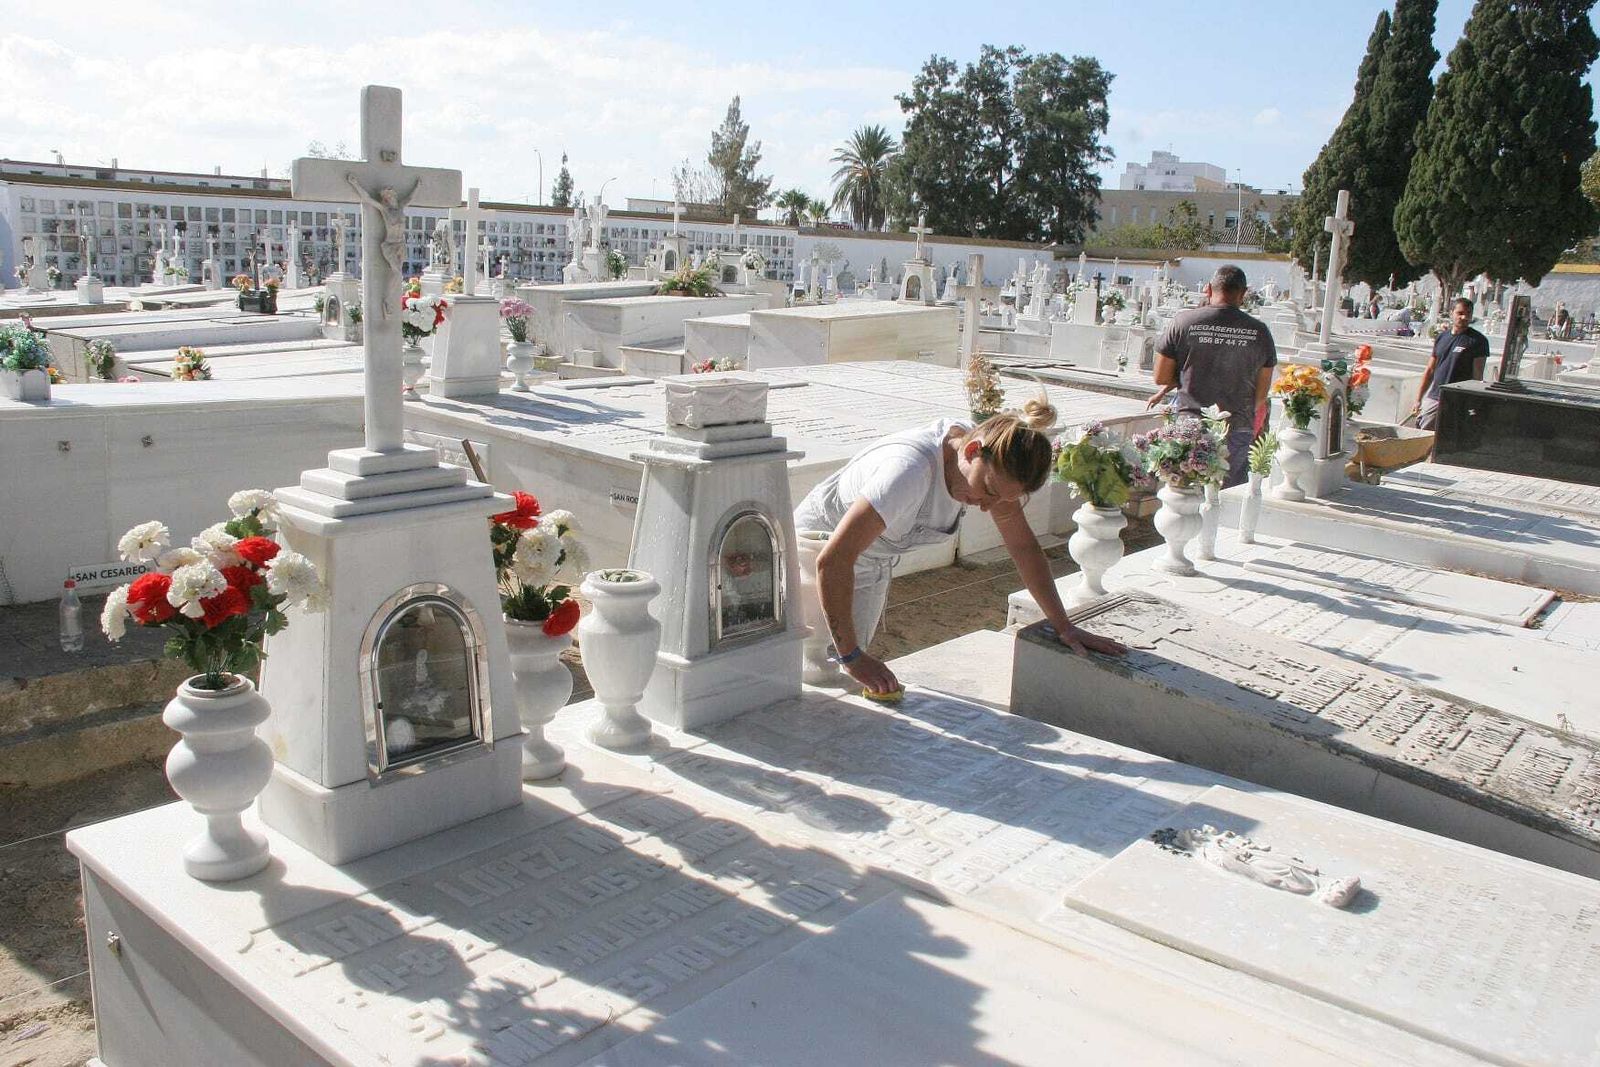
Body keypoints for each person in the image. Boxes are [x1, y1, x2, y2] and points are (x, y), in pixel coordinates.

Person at [795, 403, 1126, 696]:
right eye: (987, 491)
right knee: (811, 675)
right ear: (971, 452)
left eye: (1001, 500)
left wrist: (1063, 626)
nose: (988, 507)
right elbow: (833, 561)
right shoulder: (908, 473)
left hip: (868, 561)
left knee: (847, 684)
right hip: (814, 553)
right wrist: (850, 655)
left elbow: (1024, 548)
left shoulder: (994, 465)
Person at [1147, 265, 1277, 488]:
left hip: (1191, 425)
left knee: (1184, 496)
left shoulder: (1183, 322)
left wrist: (1189, 377)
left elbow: (1160, 377)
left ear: (1208, 290)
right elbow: (1261, 393)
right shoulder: (1260, 331)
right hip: (1237, 426)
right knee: (1225, 500)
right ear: (1243, 294)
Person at [1411, 297, 1489, 430]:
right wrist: (1418, 399)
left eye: (1468, 313)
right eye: (1460, 313)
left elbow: (1478, 375)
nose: (1464, 317)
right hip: (1435, 398)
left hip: (1458, 401)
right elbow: (1430, 370)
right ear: (1452, 312)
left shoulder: (1478, 341)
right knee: (1423, 433)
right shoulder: (1442, 337)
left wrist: (1473, 403)